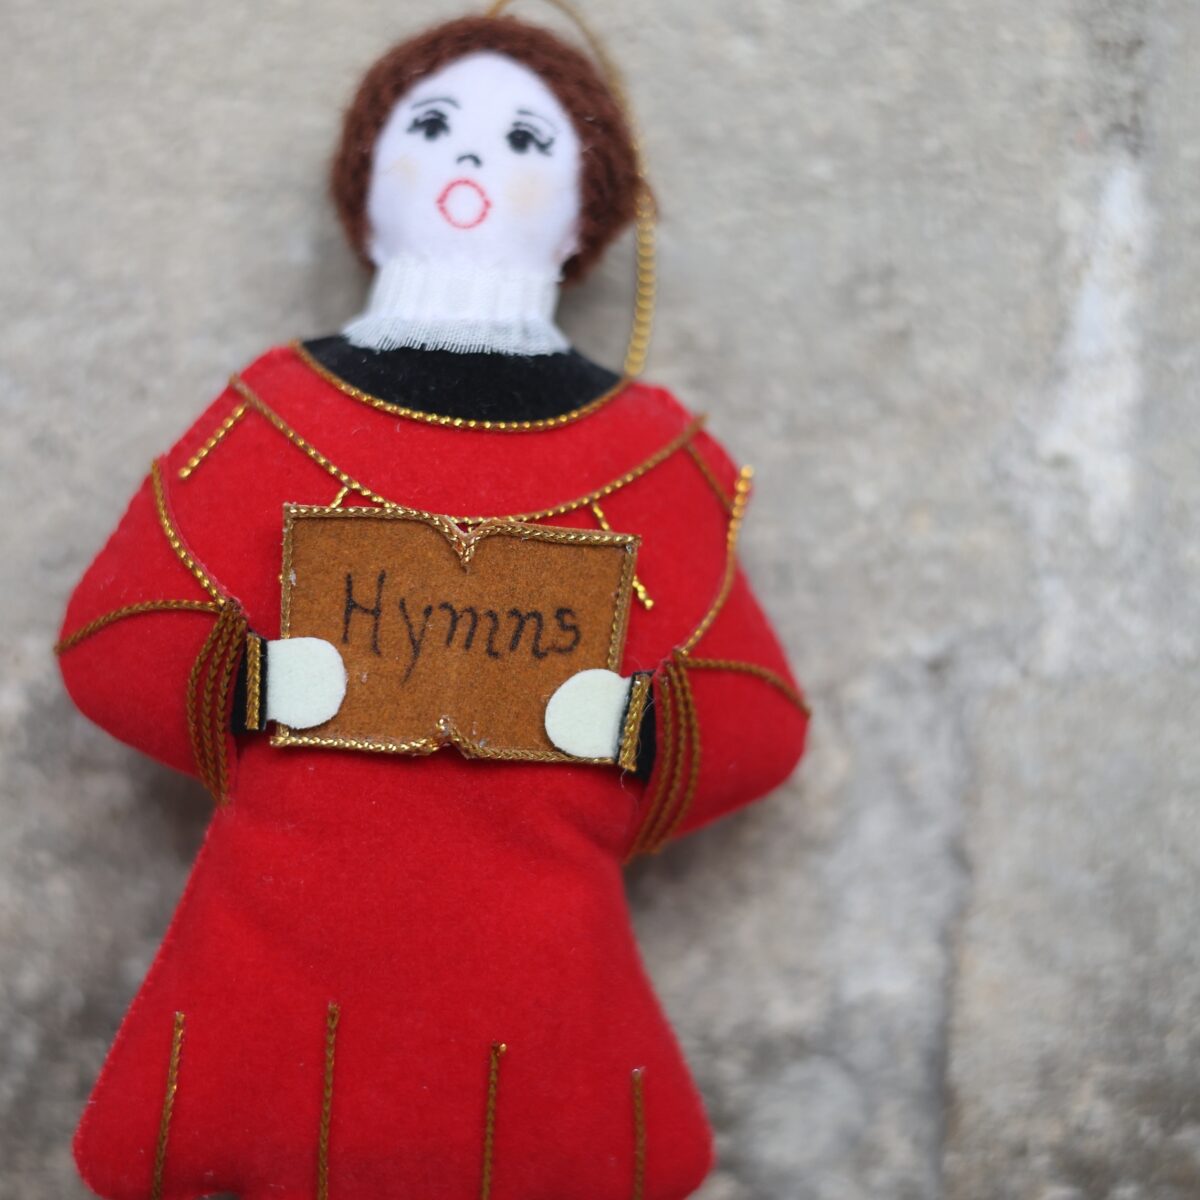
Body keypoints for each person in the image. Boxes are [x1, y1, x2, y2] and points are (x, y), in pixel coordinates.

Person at [57, 14, 809, 1200]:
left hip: (538, 975)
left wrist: (636, 730)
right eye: (435, 127)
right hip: (283, 951)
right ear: (368, 188)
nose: (472, 160)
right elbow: (112, 635)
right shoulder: (273, 411)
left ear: (585, 214)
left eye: (522, 137)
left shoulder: (651, 456)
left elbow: (758, 717)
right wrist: (246, 684)